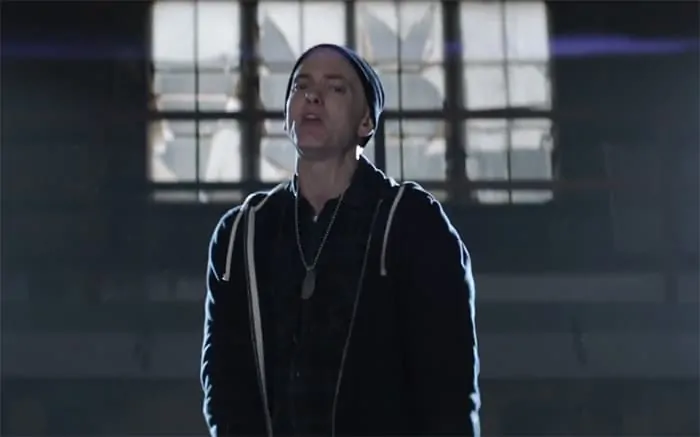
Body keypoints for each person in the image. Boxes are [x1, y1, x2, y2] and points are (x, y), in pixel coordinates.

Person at [200, 43, 481, 437]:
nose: (312, 96)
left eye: (335, 87)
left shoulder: (411, 222)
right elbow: (225, 381)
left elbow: (447, 387)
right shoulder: (242, 233)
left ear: (366, 121)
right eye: (301, 86)